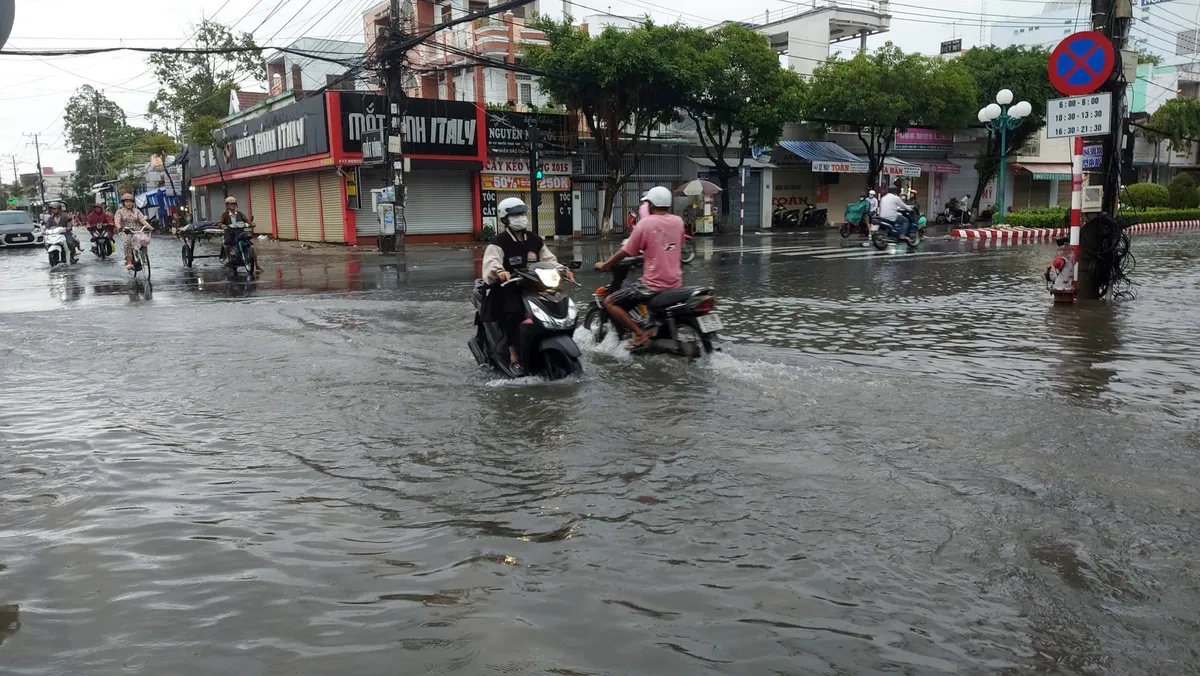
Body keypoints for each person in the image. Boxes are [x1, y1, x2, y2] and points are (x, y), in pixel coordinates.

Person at [481, 197, 573, 375]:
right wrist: (500, 272)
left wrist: (563, 269)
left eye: (522, 214)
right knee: (513, 311)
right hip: (508, 288)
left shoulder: (534, 240)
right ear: (505, 219)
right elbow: (492, 263)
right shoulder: (499, 242)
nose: (520, 218)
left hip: (535, 286)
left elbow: (549, 259)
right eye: (515, 215)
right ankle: (514, 355)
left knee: (559, 304)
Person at [594, 186, 684, 351]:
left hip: (652, 285)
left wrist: (606, 265)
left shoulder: (646, 223)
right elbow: (672, 248)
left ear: (651, 204)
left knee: (610, 301)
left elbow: (625, 252)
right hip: (675, 284)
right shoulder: (678, 222)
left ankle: (639, 333)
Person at [218, 196, 261, 272]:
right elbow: (220, 223)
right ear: (227, 205)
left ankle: (257, 265)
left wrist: (251, 223)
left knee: (251, 247)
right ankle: (228, 257)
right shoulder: (224, 214)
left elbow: (246, 220)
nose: (233, 205)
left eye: (234, 204)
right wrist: (223, 225)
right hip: (230, 233)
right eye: (231, 204)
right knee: (226, 244)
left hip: (240, 232)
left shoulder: (240, 214)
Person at [114, 193, 152, 270]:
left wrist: (149, 227)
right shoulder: (120, 212)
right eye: (127, 202)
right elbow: (117, 221)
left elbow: (142, 220)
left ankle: (143, 258)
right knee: (127, 243)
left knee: (143, 241)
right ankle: (129, 262)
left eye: (130, 202)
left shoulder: (137, 211)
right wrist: (120, 227)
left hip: (137, 230)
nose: (129, 203)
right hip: (126, 231)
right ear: (123, 203)